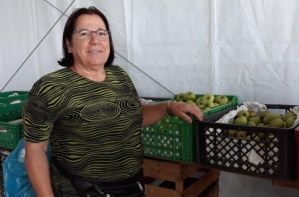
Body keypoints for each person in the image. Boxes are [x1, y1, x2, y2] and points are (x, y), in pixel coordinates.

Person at [23, 6, 203, 197]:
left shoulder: (120, 76)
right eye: (84, 33)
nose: (95, 40)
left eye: (101, 33)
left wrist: (167, 107)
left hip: (131, 186)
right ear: (69, 44)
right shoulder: (50, 87)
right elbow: (35, 150)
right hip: (79, 189)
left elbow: (134, 116)